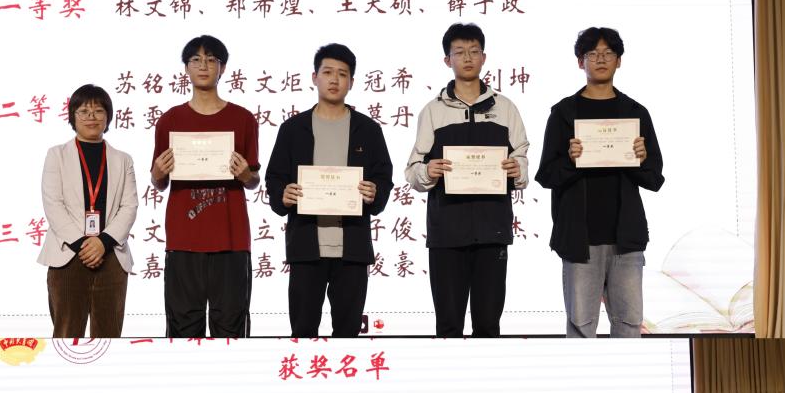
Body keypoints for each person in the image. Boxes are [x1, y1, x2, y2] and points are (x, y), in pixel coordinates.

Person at [535, 26, 664, 336]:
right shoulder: (564, 113)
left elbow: (654, 178)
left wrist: (640, 158)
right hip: (579, 238)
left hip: (626, 239)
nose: (601, 59)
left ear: (619, 60)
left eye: (608, 53)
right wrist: (571, 160)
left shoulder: (635, 112)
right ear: (581, 62)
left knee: (629, 324)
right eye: (592, 54)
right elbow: (546, 175)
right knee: (581, 327)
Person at [405, 23, 529, 336]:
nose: (468, 58)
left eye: (474, 51)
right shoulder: (433, 111)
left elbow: (522, 158)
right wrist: (428, 171)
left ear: (484, 57)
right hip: (446, 233)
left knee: (488, 324)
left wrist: (517, 170)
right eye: (459, 52)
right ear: (447, 60)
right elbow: (413, 171)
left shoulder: (505, 108)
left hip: (492, 231)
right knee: (448, 325)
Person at [266, 43, 393, 336]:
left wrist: (375, 192)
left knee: (348, 333)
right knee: (302, 331)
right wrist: (282, 194)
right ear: (314, 77)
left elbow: (383, 177)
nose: (334, 80)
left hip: (352, 250)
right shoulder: (293, 129)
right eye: (327, 72)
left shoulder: (368, 129)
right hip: (306, 247)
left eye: (342, 74)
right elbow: (275, 178)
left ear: (352, 82)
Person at [151, 35, 259, 337]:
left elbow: (253, 180)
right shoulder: (170, 120)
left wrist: (245, 175)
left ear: (222, 68)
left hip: (232, 241)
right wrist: (157, 173)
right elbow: (159, 182)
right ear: (185, 68)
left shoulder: (243, 119)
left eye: (211, 60)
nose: (203, 66)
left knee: (232, 329)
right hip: (184, 240)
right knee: (183, 329)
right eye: (196, 60)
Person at [38, 83, 138, 337]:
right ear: (73, 116)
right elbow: (53, 203)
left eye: (98, 111)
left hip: (111, 256)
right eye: (84, 111)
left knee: (109, 336)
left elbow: (129, 205)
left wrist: (102, 242)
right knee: (66, 334)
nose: (91, 117)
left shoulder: (123, 159)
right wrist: (83, 245)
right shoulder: (56, 155)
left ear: (108, 116)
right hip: (68, 255)